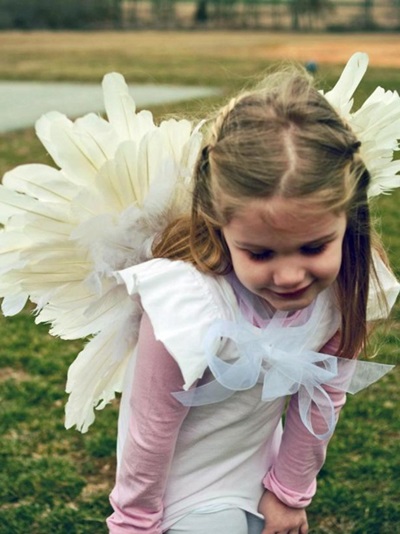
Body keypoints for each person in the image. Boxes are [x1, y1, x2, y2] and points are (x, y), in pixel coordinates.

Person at [106, 65, 399, 534]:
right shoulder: (187, 307)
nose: (289, 276)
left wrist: (287, 493)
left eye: (314, 247)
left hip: (255, 465)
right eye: (259, 253)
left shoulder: (345, 291)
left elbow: (322, 400)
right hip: (177, 486)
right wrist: (135, 524)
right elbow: (151, 430)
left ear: (349, 219)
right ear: (219, 222)